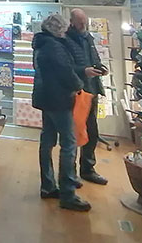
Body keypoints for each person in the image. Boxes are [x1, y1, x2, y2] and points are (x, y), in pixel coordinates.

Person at [32, 13, 90, 211]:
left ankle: (48, 185)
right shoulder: (55, 46)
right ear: (58, 29)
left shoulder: (41, 44)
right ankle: (68, 193)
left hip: (46, 98)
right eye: (64, 28)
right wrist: (79, 84)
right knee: (69, 144)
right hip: (59, 99)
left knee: (47, 141)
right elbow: (65, 72)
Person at [65, 8, 108, 186]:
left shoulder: (88, 38)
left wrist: (100, 68)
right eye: (80, 22)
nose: (83, 25)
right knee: (75, 133)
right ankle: (70, 173)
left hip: (92, 90)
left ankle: (88, 169)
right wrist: (84, 71)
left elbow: (94, 58)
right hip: (77, 92)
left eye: (85, 22)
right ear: (72, 22)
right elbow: (66, 67)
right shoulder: (66, 40)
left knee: (92, 132)